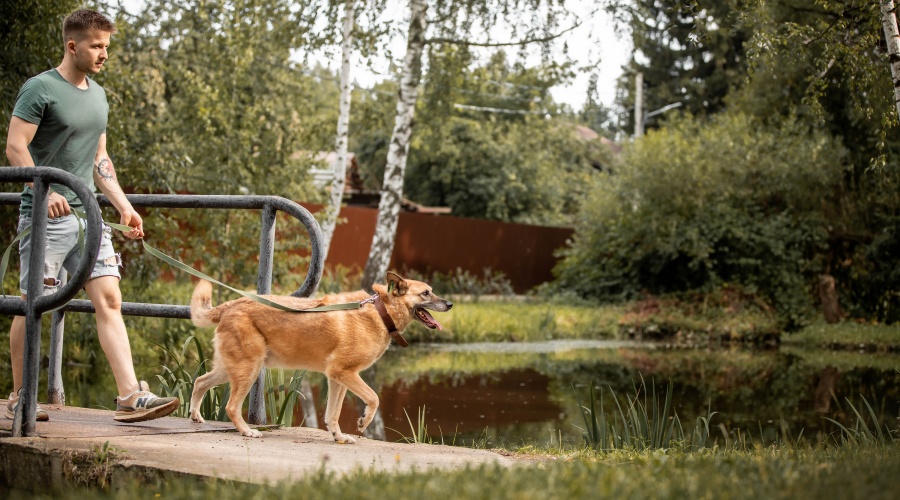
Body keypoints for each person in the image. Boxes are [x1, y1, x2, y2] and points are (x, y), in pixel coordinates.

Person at [5, 9, 178, 423]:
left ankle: (130, 396)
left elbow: (100, 160)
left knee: (110, 298)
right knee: (33, 305)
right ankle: (21, 395)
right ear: (72, 46)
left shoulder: (98, 95)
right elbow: (15, 147)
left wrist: (124, 206)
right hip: (45, 218)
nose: (104, 54)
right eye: (97, 46)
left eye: (106, 46)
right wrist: (43, 190)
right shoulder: (40, 88)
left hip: (89, 217)